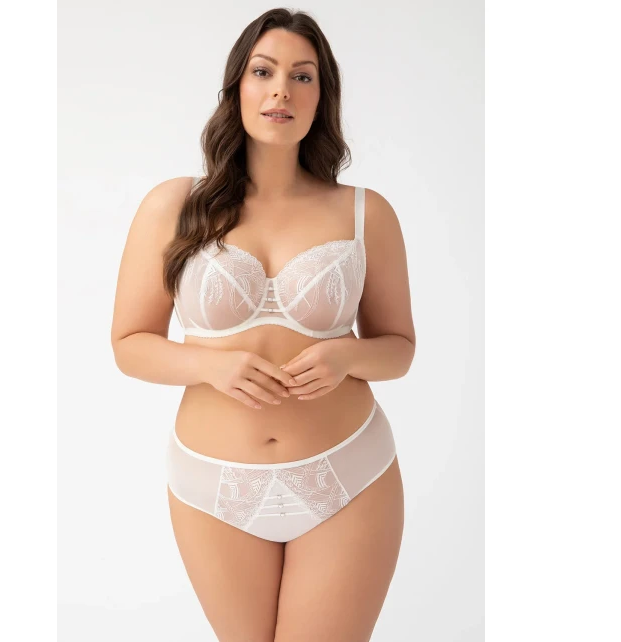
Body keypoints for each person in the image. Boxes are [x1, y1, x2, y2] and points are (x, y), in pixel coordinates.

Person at [111, 8, 416, 641]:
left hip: (348, 475)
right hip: (213, 485)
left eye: (303, 76)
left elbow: (399, 348)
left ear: (321, 97)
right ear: (237, 87)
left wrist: (346, 356)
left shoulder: (366, 213)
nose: (282, 90)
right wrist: (209, 364)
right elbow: (129, 344)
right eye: (263, 71)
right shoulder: (174, 206)